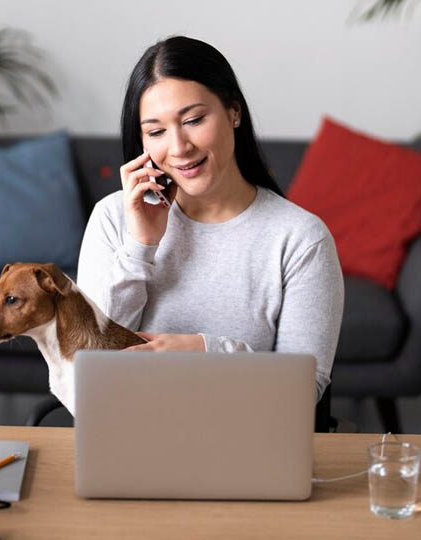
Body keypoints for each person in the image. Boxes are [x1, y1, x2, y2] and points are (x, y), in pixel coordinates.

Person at [76, 36, 344, 401]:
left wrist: (205, 352)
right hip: (132, 432)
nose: (179, 147)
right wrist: (140, 246)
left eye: (194, 120)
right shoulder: (113, 217)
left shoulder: (300, 237)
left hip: (251, 439)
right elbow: (88, 363)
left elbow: (303, 388)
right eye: (156, 131)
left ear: (234, 112)